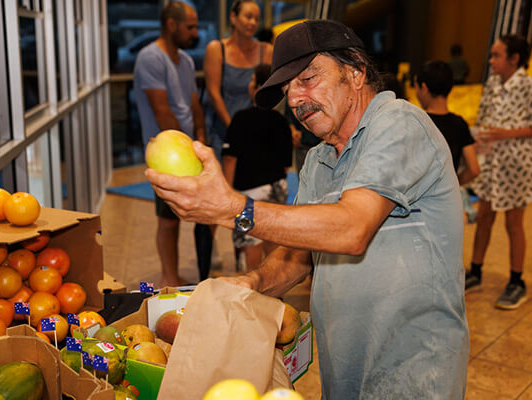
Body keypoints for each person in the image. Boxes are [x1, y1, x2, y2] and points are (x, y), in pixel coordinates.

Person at [147, 20, 469, 398]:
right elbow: (297, 257)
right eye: (287, 89)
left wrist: (233, 209)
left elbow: (351, 229)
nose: (295, 99)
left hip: (413, 371)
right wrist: (250, 283)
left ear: (355, 70)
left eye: (307, 79)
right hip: (344, 371)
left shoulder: (401, 124)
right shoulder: (317, 161)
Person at [134, 1, 211, 287]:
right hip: (166, 157)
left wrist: (201, 139)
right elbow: (162, 111)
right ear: (171, 25)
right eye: (190, 27)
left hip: (190, 150)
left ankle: (202, 272)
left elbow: (194, 105)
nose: (195, 33)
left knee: (205, 216)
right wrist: (187, 150)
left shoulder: (187, 61)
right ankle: (170, 276)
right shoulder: (150, 58)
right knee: (169, 220)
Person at [465, 34, 532, 309]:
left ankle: (517, 281)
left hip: (516, 166)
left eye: (496, 55)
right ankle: (476, 271)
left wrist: (505, 134)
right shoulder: (492, 84)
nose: (491, 60)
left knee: (513, 223)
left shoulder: (527, 86)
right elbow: (483, 118)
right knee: (484, 217)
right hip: (491, 164)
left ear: (514, 59)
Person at [222, 64, 292, 271]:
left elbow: (230, 160)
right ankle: (274, 292)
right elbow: (286, 164)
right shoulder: (281, 121)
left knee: (251, 240)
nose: (249, 85)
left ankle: (255, 293)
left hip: (249, 195)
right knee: (272, 239)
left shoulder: (241, 119)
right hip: (277, 190)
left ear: (259, 87)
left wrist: (227, 195)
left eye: (252, 81)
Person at [203, 0, 273, 161]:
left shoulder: (266, 51)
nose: (253, 23)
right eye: (248, 17)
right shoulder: (216, 49)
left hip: (257, 133)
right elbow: (214, 94)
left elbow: (269, 95)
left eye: (257, 18)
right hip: (224, 132)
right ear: (233, 17)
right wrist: (235, 130)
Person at [415, 60, 480, 185]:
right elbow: (474, 170)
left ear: (424, 88)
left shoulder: (416, 122)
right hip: (448, 200)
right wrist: (453, 186)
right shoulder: (460, 124)